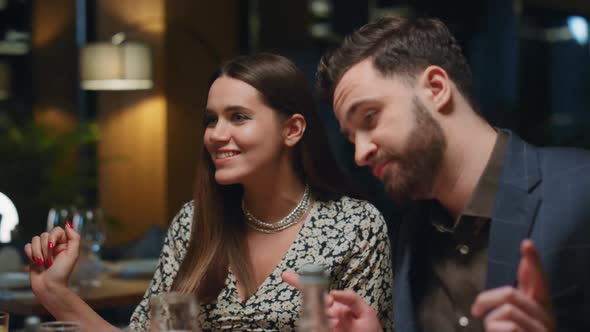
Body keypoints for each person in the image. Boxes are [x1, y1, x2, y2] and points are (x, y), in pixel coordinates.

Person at [23, 53, 393, 331]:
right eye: (211, 119)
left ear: (292, 130)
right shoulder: (195, 221)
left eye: (238, 117)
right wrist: (54, 292)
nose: (216, 134)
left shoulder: (354, 226)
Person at [283, 15, 590, 332]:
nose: (360, 154)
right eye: (351, 139)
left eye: (370, 117)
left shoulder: (580, 188)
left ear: (436, 88)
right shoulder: (412, 235)